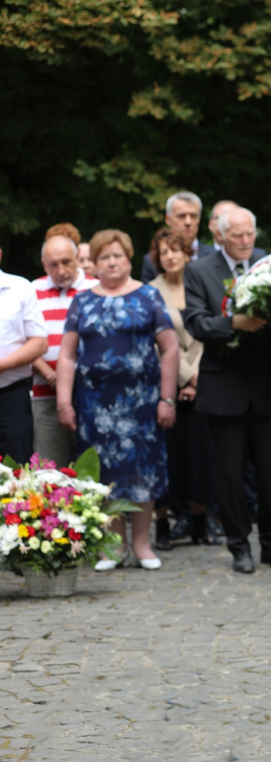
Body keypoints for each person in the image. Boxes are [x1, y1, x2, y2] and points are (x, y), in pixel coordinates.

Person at [183, 206, 271, 574]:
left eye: (250, 234)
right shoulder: (199, 270)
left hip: (264, 383)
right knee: (230, 473)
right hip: (223, 385)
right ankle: (239, 547)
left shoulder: (270, 263)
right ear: (220, 236)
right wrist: (235, 323)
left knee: (269, 472)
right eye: (238, 236)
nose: (247, 241)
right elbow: (197, 323)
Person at [56, 229, 178, 570]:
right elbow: (67, 355)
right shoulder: (82, 301)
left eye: (119, 256)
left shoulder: (149, 296)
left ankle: (142, 544)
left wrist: (167, 399)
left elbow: (169, 349)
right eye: (105, 257)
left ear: (129, 259)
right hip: (95, 405)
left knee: (143, 472)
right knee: (102, 474)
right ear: (94, 263)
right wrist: (64, 402)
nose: (112, 262)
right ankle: (113, 545)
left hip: (142, 402)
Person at [148, 228, 219, 549]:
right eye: (164, 252)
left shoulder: (201, 283)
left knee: (200, 456)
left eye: (176, 250)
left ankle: (201, 522)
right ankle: (163, 525)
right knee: (167, 457)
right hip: (168, 385)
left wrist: (199, 379)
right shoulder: (150, 292)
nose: (171, 256)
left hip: (204, 382)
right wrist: (186, 378)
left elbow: (209, 331)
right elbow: (158, 344)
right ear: (157, 259)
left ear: (189, 253)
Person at [30, 235, 96, 468]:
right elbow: (22, 340)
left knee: (91, 465)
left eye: (66, 261)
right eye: (52, 264)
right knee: (49, 467)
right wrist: (50, 375)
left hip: (89, 392)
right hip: (45, 391)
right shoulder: (32, 290)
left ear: (78, 257)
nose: (60, 270)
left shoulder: (94, 288)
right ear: (43, 263)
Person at [0, 245, 49, 466]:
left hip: (11, 397)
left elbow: (39, 343)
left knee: (16, 472)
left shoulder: (20, 287)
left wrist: (2, 365)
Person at [140, 191, 217, 282]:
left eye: (193, 216)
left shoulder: (215, 256)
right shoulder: (151, 261)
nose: (188, 222)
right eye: (181, 216)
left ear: (199, 219)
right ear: (168, 219)